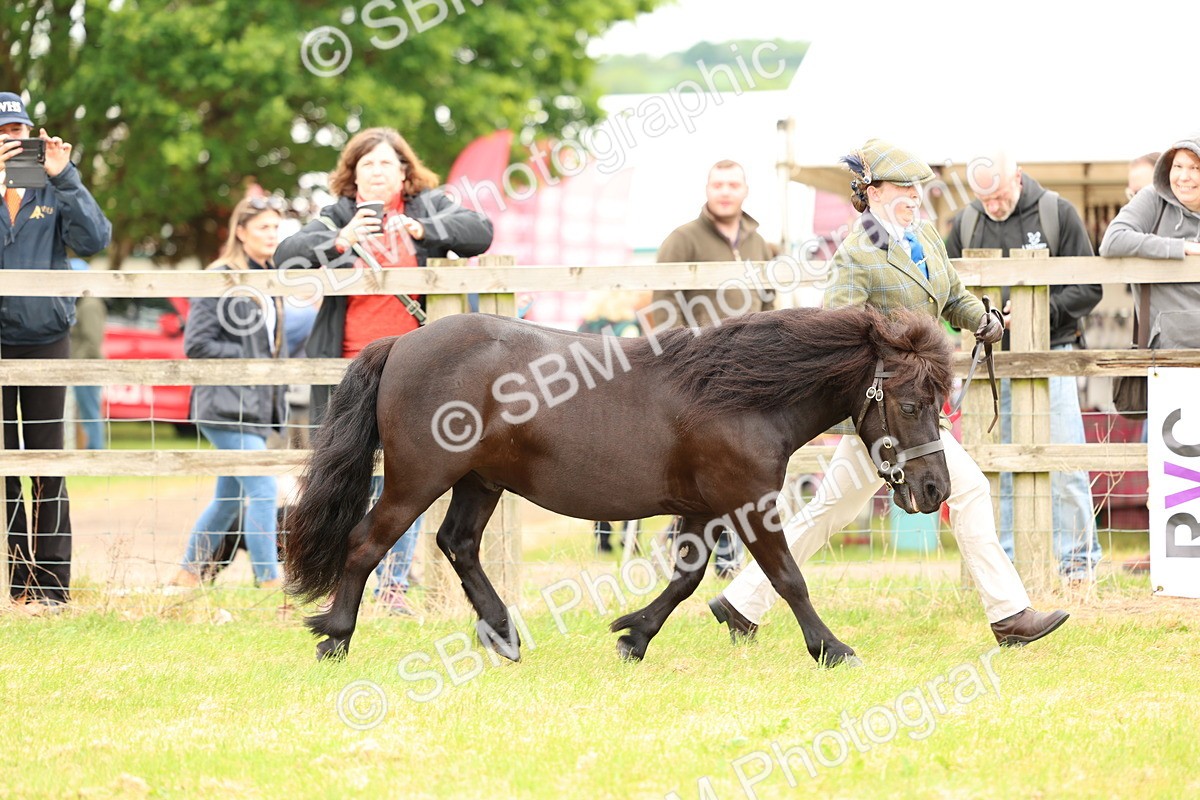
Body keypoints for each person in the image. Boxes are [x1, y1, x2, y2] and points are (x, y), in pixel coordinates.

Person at [708, 139, 1069, 648]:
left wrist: (982, 320)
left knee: (829, 511)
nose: (914, 196)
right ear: (873, 193)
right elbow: (838, 336)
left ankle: (742, 601)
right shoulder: (855, 257)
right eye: (903, 187)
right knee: (966, 489)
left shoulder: (923, 235)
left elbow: (952, 293)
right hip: (881, 413)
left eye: (917, 187)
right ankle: (1010, 615)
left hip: (912, 410)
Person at [274, 127, 493, 615]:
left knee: (409, 479)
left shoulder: (426, 209)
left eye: (387, 163)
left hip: (415, 375)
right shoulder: (335, 216)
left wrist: (424, 231)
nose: (377, 172)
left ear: (404, 172)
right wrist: (340, 239)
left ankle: (392, 590)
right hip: (346, 373)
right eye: (366, 164)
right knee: (337, 477)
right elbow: (284, 256)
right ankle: (328, 581)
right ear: (352, 176)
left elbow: (480, 232)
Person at [944, 151, 1103, 581]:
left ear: (1017, 175)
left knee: (1066, 464)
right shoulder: (965, 223)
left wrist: (1037, 312)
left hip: (1053, 353)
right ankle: (1005, 570)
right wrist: (976, 316)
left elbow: (1090, 287)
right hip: (991, 364)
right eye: (984, 198)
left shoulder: (1057, 212)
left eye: (998, 195)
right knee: (996, 469)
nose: (992, 206)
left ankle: (1078, 567)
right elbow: (942, 292)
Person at [1, 92, 112, 614]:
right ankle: (16, 584)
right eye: (1, 134)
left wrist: (66, 175)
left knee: (48, 461)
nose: (10, 142)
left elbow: (94, 239)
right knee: (4, 467)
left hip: (47, 335)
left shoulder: (53, 185)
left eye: (16, 132)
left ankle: (50, 588)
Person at [652, 159, 776, 578]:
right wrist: (677, 361)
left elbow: (769, 304)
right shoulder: (682, 238)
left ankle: (713, 552)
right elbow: (663, 304)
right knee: (710, 466)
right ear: (707, 189)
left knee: (737, 464)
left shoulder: (761, 243)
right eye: (718, 184)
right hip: (696, 373)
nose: (725, 191)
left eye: (733, 184)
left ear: (745, 190)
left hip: (747, 374)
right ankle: (705, 551)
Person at [170, 196, 288, 589]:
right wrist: (251, 356)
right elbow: (197, 344)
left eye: (276, 227)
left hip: (256, 406)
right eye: (262, 228)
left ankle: (187, 575)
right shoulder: (219, 276)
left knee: (227, 501)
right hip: (224, 404)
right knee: (263, 489)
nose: (271, 235)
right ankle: (270, 583)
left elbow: (273, 343)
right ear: (241, 232)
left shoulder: (272, 278)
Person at [68, 259, 107, 450]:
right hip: (80, 367)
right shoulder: (81, 303)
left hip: (87, 368)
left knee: (90, 412)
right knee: (83, 413)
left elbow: (93, 340)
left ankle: (96, 452)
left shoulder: (89, 305)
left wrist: (77, 364)